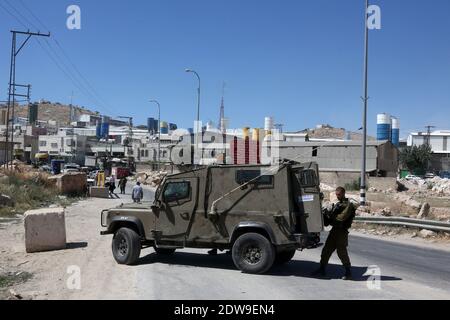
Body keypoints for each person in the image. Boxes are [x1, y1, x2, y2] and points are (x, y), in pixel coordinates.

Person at [313, 186, 356, 280]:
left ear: (343, 194)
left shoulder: (348, 205)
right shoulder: (338, 204)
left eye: (339, 194)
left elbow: (340, 219)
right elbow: (329, 222)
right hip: (334, 231)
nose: (338, 196)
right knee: (326, 251)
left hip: (342, 232)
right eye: (336, 195)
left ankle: (348, 272)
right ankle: (322, 269)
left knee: (342, 252)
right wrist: (326, 214)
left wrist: (331, 215)